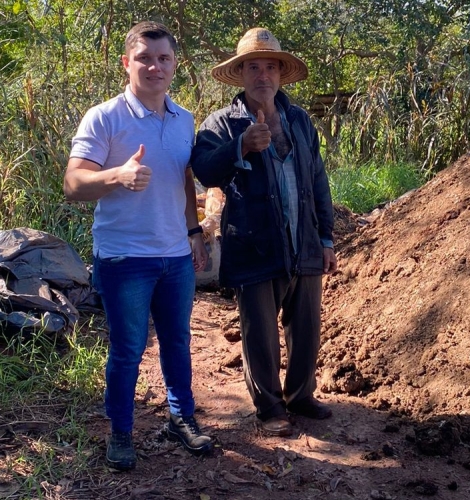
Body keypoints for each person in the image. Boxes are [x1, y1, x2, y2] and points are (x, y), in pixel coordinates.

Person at [63, 21, 213, 470]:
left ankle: (181, 418)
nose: (155, 66)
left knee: (177, 341)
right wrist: (116, 176)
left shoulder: (183, 118)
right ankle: (121, 432)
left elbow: (184, 180)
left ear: (175, 65)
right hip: (125, 258)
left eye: (164, 58)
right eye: (145, 58)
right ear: (126, 63)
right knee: (128, 349)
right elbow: (73, 183)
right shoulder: (104, 117)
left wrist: (194, 232)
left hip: (174, 256)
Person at [191, 27, 338, 437]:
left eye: (270, 67)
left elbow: (319, 180)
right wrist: (240, 147)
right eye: (253, 67)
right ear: (240, 74)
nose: (262, 75)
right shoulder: (221, 122)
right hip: (254, 243)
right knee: (259, 331)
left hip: (304, 241)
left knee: (306, 326)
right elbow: (204, 169)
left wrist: (325, 238)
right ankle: (271, 407)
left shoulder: (298, 120)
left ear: (280, 74)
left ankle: (301, 396)